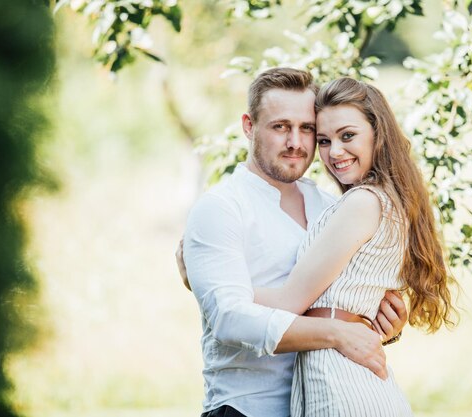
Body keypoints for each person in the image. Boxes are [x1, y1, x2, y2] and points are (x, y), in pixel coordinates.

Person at [181, 68, 408, 417]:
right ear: (248, 126)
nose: (295, 143)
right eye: (280, 127)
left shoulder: (332, 207)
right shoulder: (221, 209)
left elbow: (346, 301)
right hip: (248, 408)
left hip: (329, 400)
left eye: (307, 130)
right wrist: (335, 333)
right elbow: (229, 317)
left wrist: (378, 321)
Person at [251, 77, 457, 416]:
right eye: (324, 140)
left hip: (340, 382)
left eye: (348, 135)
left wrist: (210, 283)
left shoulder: (363, 202)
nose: (335, 152)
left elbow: (289, 302)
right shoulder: (383, 200)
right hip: (347, 375)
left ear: (379, 133)